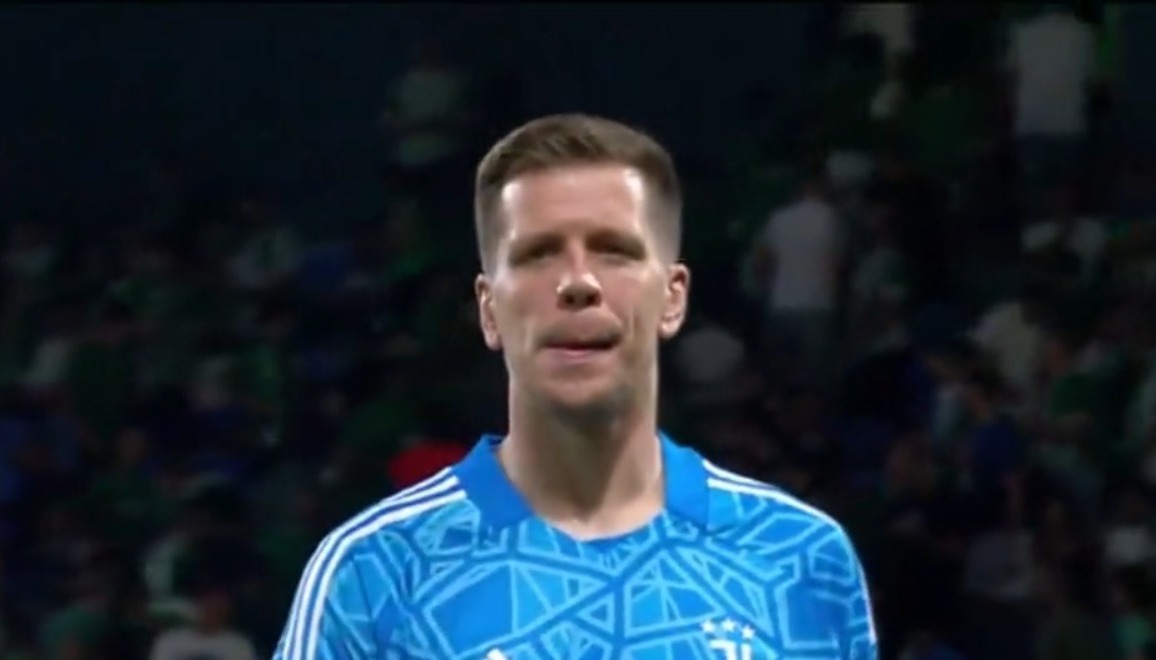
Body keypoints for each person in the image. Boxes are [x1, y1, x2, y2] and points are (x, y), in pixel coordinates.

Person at [272, 114, 877, 659]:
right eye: (538, 254)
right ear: (489, 310)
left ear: (673, 298)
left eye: (614, 251)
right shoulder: (374, 572)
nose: (578, 282)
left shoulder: (801, 557)